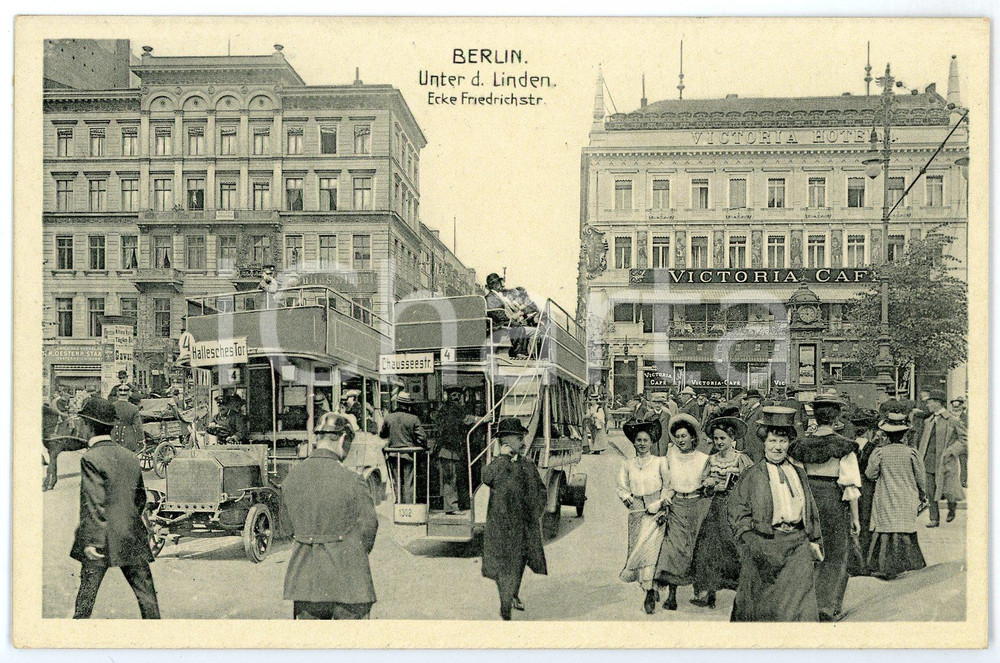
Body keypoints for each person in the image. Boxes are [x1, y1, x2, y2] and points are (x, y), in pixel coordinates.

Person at [729, 406, 823, 622]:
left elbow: (810, 509)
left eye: (783, 441)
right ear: (764, 442)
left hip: (798, 544)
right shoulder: (752, 475)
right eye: (772, 441)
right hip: (765, 545)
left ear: (790, 443)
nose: (778, 447)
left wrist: (815, 539)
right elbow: (737, 512)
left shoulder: (798, 472)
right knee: (763, 609)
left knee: (801, 608)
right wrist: (751, 541)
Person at [280, 412, 377, 619]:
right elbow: (369, 527)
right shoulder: (354, 480)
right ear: (343, 439)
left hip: (305, 583)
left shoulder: (291, 478)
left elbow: (287, 528)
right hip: (350, 583)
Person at [70, 398, 160, 619]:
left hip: (101, 540)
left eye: (81, 422)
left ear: (88, 425)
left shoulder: (91, 458)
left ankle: (72, 642)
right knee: (147, 598)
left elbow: (93, 503)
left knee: (85, 600)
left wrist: (92, 541)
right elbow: (140, 499)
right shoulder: (130, 457)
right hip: (131, 535)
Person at [788, 391, 862, 622]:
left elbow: (795, 478)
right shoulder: (845, 446)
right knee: (834, 553)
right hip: (832, 500)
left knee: (805, 552)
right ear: (836, 417)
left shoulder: (799, 444)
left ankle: (802, 604)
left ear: (815, 416)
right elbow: (850, 486)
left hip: (806, 498)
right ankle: (827, 607)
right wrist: (856, 519)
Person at [481, 417, 547, 620]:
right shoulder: (496, 464)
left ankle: (512, 594)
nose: (524, 443)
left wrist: (534, 512)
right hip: (500, 526)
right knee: (502, 566)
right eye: (519, 438)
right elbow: (486, 478)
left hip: (522, 525)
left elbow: (541, 491)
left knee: (519, 562)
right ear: (506, 442)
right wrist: (502, 458)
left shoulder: (527, 464)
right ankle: (505, 604)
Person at [690, 408, 754, 609]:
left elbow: (751, 484)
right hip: (715, 507)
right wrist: (708, 484)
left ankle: (743, 593)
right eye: (716, 439)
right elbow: (702, 485)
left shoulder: (741, 459)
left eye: (723, 438)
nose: (719, 442)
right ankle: (707, 591)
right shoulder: (712, 460)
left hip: (735, 509)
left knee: (735, 548)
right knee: (707, 548)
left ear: (732, 438)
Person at [653, 413, 713, 611]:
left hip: (698, 506)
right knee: (674, 549)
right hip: (677, 505)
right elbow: (668, 484)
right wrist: (666, 498)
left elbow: (708, 484)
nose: (681, 440)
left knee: (699, 548)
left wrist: (709, 484)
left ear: (693, 437)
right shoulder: (670, 458)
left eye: (684, 436)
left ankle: (705, 592)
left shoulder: (704, 459)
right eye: (677, 436)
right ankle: (672, 596)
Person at [865, 412, 927, 580]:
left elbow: (870, 474)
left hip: (886, 494)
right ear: (904, 433)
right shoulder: (912, 453)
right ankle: (909, 564)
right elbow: (920, 478)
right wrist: (923, 495)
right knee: (904, 526)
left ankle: (883, 565)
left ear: (886, 434)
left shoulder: (879, 453)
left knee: (886, 526)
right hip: (907, 495)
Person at [617, 418, 670, 614]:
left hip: (656, 512)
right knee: (637, 551)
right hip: (637, 512)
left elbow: (668, 485)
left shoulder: (660, 462)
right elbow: (621, 486)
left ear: (652, 442)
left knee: (651, 551)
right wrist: (628, 498)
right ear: (634, 442)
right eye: (638, 440)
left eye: (645, 440)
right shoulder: (628, 464)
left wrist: (659, 502)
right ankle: (648, 586)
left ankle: (649, 591)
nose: (641, 444)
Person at [918, 390, 966, 528]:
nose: (927, 405)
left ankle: (952, 505)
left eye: (929, 402)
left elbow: (964, 439)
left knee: (949, 489)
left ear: (937, 403)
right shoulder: (928, 421)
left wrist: (952, 451)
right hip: (928, 461)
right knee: (930, 490)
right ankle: (934, 518)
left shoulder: (952, 419)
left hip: (946, 461)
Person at [849, 408, 881, 576]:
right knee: (867, 522)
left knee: (854, 524)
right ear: (870, 430)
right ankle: (867, 563)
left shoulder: (849, 445)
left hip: (851, 486)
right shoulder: (873, 448)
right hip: (867, 487)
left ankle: (855, 563)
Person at [380, 391, 427, 503]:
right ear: (408, 405)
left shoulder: (388, 418)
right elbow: (422, 437)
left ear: (398, 403)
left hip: (393, 454)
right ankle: (409, 507)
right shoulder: (413, 418)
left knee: (396, 481)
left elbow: (382, 434)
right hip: (409, 455)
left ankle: (398, 505)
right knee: (409, 482)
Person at [433, 386, 472, 511]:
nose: (456, 397)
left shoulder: (445, 410)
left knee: (452, 479)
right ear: (449, 397)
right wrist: (480, 420)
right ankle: (451, 507)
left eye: (458, 395)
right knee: (450, 479)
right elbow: (465, 420)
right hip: (449, 451)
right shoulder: (452, 410)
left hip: (450, 450)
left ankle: (454, 505)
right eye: (454, 395)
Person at [484, 273, 538, 359]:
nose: (502, 285)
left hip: (501, 324)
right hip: (499, 326)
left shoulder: (492, 297)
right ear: (495, 284)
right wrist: (515, 318)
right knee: (533, 331)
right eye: (499, 283)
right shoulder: (491, 298)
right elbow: (499, 316)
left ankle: (526, 353)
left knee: (524, 328)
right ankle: (520, 353)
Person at [109, 383, 145, 453]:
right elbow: (138, 427)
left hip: (113, 438)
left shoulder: (111, 406)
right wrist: (141, 441)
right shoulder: (134, 408)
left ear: (117, 394)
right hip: (128, 440)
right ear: (128, 394)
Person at [740, 389, 765, 462]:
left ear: (755, 399)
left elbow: (762, 431)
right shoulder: (749, 410)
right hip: (748, 446)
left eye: (749, 399)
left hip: (756, 447)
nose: (747, 402)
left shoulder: (761, 411)